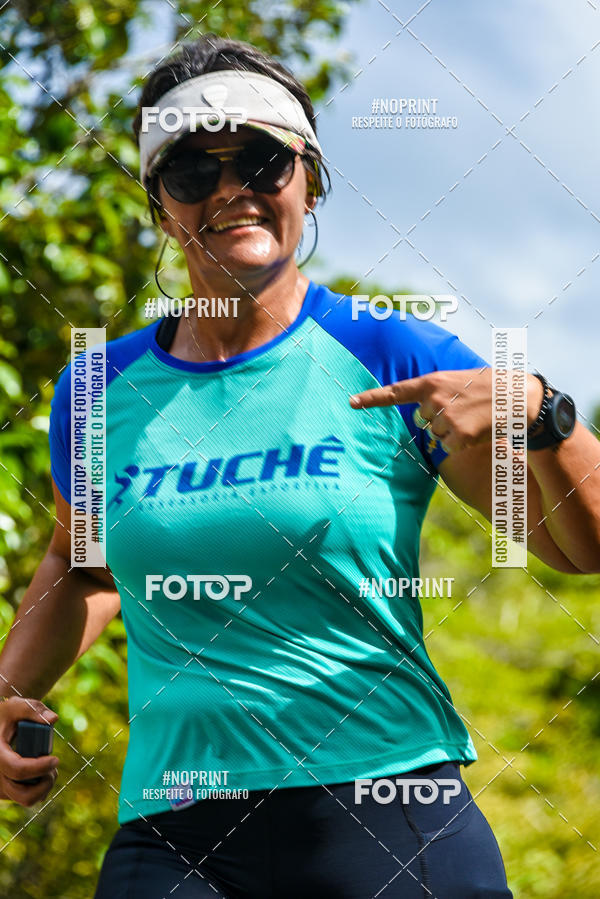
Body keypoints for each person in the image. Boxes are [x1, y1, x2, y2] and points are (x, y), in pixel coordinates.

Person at [1, 34, 599, 899]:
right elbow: (79, 563)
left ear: (309, 177)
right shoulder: (98, 389)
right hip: (175, 825)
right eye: (192, 173)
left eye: (260, 160)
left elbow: (582, 548)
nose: (230, 191)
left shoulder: (389, 350)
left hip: (383, 805)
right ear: (159, 206)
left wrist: (543, 412)